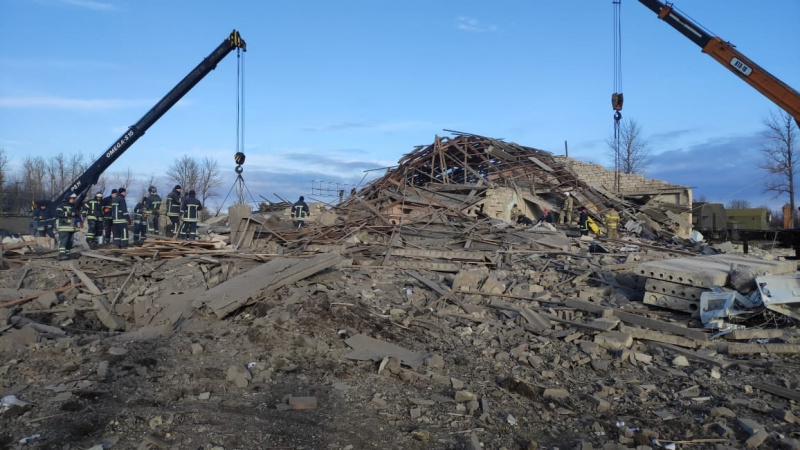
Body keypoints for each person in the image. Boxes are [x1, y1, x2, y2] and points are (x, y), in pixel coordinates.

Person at [56, 194, 78, 260]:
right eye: (72, 198)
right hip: (64, 227)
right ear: (68, 198)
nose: (73, 200)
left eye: (74, 198)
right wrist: (68, 213)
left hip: (71, 227)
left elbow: (76, 216)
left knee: (69, 242)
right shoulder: (61, 206)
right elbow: (58, 213)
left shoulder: (73, 206)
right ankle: (61, 254)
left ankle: (67, 254)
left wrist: (75, 214)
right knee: (64, 241)